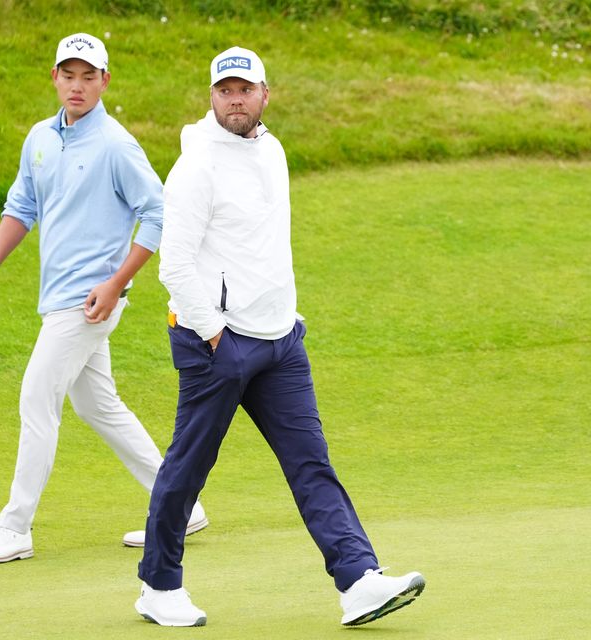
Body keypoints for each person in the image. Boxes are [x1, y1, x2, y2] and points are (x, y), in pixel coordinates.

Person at [133, 46, 425, 627]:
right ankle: (159, 587)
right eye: (224, 91)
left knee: (311, 464)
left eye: (244, 89)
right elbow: (174, 265)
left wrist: (287, 318)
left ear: (267, 94)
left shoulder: (272, 151)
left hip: (280, 342)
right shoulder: (195, 167)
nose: (234, 99)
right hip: (215, 344)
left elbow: (264, 247)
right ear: (212, 97)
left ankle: (358, 580)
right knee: (189, 466)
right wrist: (216, 334)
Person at [0, 32, 208, 565]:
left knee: (36, 397)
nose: (77, 86)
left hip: (90, 300)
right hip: (59, 297)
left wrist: (116, 282)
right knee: (97, 404)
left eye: (88, 76)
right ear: (54, 78)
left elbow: (159, 213)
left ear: (104, 81)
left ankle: (14, 527)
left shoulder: (117, 145)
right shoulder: (41, 138)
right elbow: (22, 205)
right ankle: (182, 505)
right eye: (68, 75)